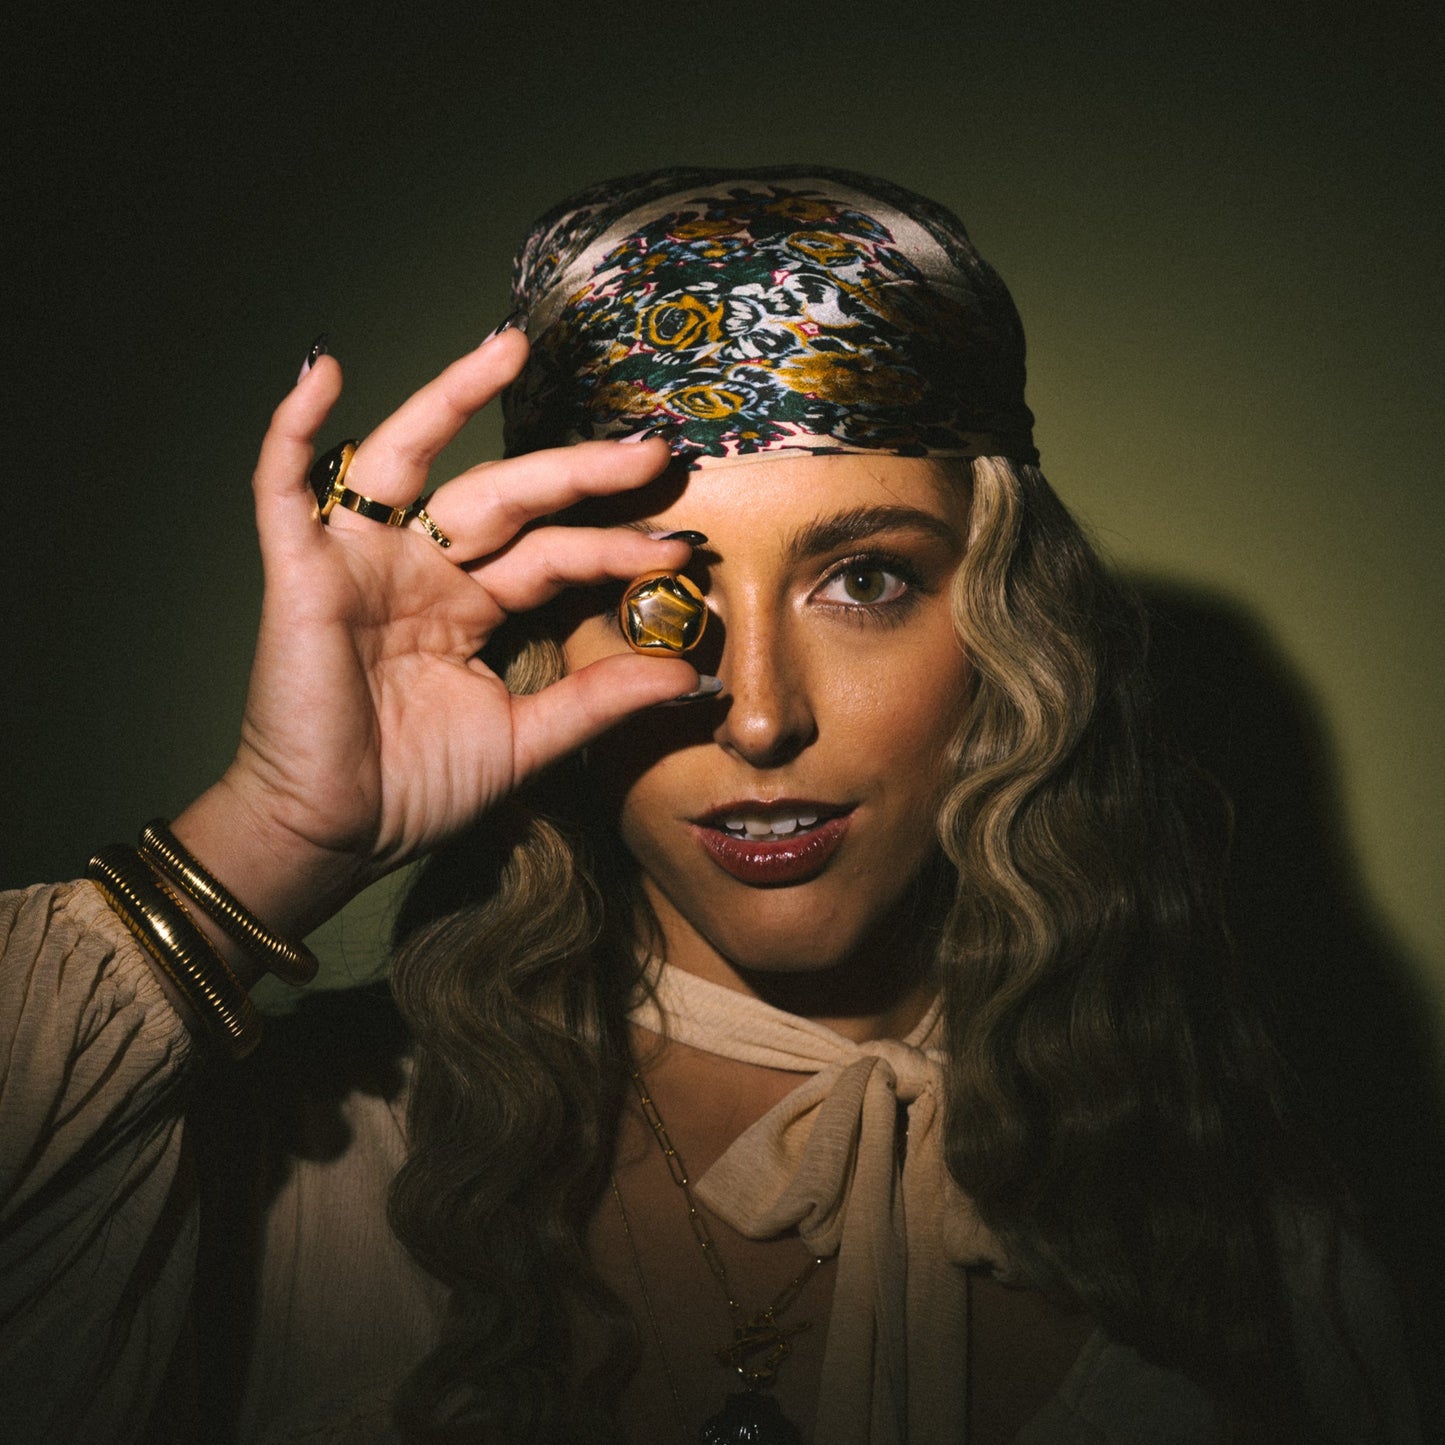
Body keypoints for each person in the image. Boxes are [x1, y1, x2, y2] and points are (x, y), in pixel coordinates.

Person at [0, 167, 1418, 1445]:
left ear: (1005, 635)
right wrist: (273, 834)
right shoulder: (290, 1165)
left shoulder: (1251, 1243)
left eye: (864, 580)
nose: (757, 715)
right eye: (654, 596)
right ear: (547, 638)